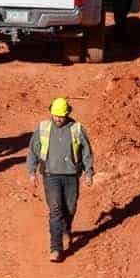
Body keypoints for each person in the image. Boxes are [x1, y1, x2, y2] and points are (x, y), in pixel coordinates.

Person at [25, 97, 95, 262]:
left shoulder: (77, 129)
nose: (57, 119)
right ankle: (56, 248)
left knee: (70, 208)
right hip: (50, 175)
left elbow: (86, 152)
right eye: (55, 115)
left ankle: (65, 229)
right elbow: (33, 150)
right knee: (55, 210)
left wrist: (89, 173)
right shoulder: (43, 128)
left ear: (68, 114)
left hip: (71, 175)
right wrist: (31, 172)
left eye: (61, 116)